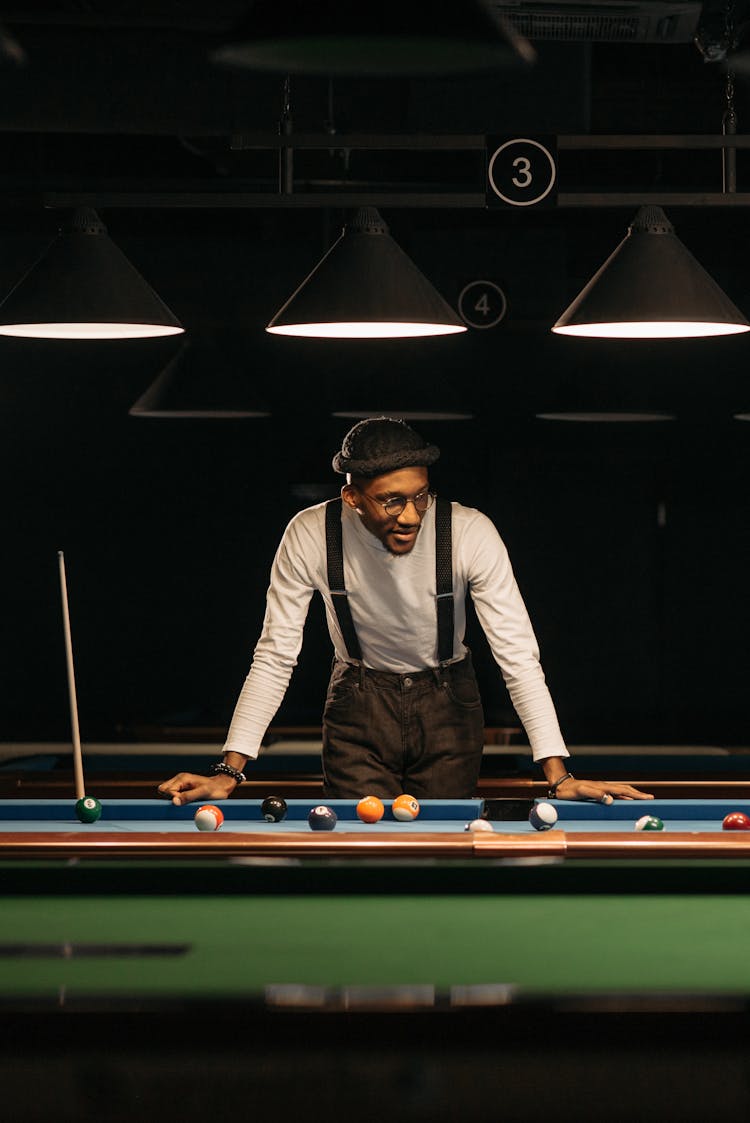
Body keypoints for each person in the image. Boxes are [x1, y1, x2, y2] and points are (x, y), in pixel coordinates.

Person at [159, 417, 652, 806]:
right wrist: (229, 771)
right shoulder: (309, 533)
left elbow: (518, 656)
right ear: (352, 497)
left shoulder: (469, 531)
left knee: (443, 855)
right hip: (357, 705)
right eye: (392, 501)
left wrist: (558, 774)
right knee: (360, 854)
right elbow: (274, 656)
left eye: (420, 496)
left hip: (449, 706)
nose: (412, 515)